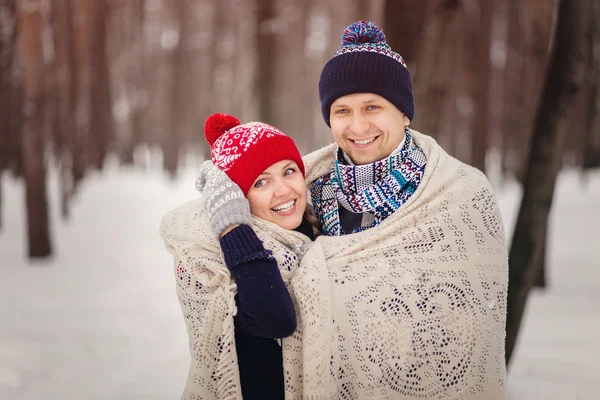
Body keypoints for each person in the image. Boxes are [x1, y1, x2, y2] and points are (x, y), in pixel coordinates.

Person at [278, 20, 509, 399]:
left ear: (403, 113)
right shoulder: (307, 195)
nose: (357, 125)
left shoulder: (460, 195)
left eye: (373, 107)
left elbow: (474, 326)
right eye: (342, 111)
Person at [160, 113, 316, 400]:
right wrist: (233, 227)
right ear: (238, 197)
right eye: (260, 182)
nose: (283, 190)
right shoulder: (218, 261)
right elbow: (277, 320)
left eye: (289, 171)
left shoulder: (317, 235)